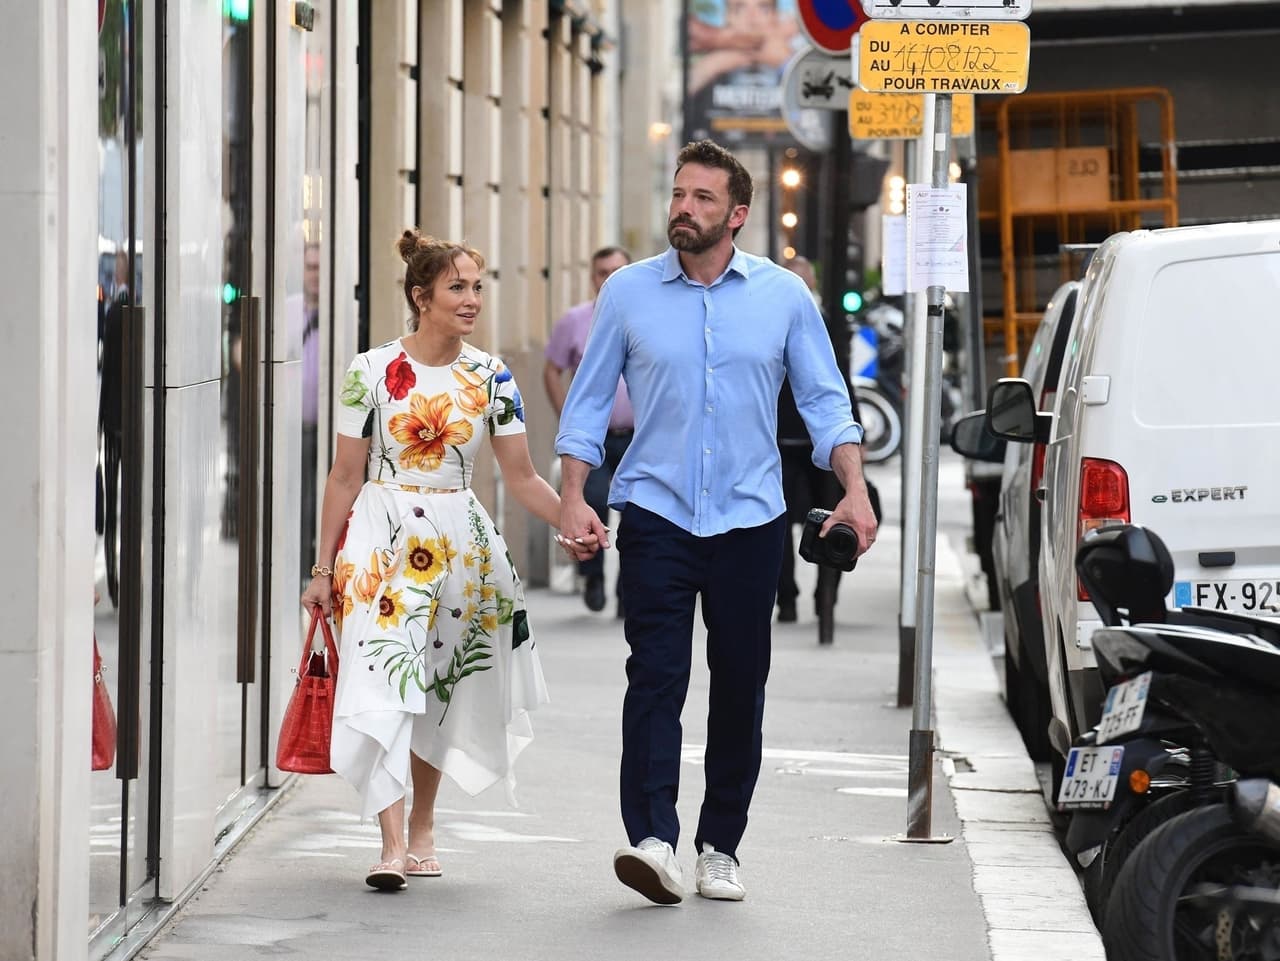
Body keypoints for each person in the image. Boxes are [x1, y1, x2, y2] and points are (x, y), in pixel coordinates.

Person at [554, 140, 878, 905]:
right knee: (655, 675)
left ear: (736, 215)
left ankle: (719, 845)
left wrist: (855, 490)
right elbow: (590, 400)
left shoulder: (783, 298)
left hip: (750, 520)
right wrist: (574, 493)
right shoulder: (628, 294)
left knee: (739, 685)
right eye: (678, 194)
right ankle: (654, 838)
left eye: (702, 198)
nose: (683, 209)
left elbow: (828, 402)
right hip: (659, 515)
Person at [301, 230, 592, 892]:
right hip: (380, 537)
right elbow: (344, 476)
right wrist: (322, 570)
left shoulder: (492, 376)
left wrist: (569, 518)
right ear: (420, 296)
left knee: (436, 686)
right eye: (457, 287)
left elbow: (520, 477)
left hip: (459, 540)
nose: (471, 300)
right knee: (381, 678)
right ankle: (391, 841)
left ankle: (425, 822)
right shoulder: (369, 371)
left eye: (477, 287)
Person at [774, 256, 881, 644]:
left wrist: (855, 439)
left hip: (825, 441)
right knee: (779, 523)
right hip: (780, 440)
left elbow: (836, 383)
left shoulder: (824, 324)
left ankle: (826, 595)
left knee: (833, 520)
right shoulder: (764, 317)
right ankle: (786, 596)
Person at [543, 246, 633, 616]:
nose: (609, 278)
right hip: (594, 440)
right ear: (592, 276)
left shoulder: (643, 316)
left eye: (618, 270)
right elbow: (552, 369)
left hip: (637, 437)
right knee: (592, 500)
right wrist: (568, 416)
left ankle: (628, 590)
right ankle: (592, 574)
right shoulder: (576, 320)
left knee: (637, 515)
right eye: (602, 272)